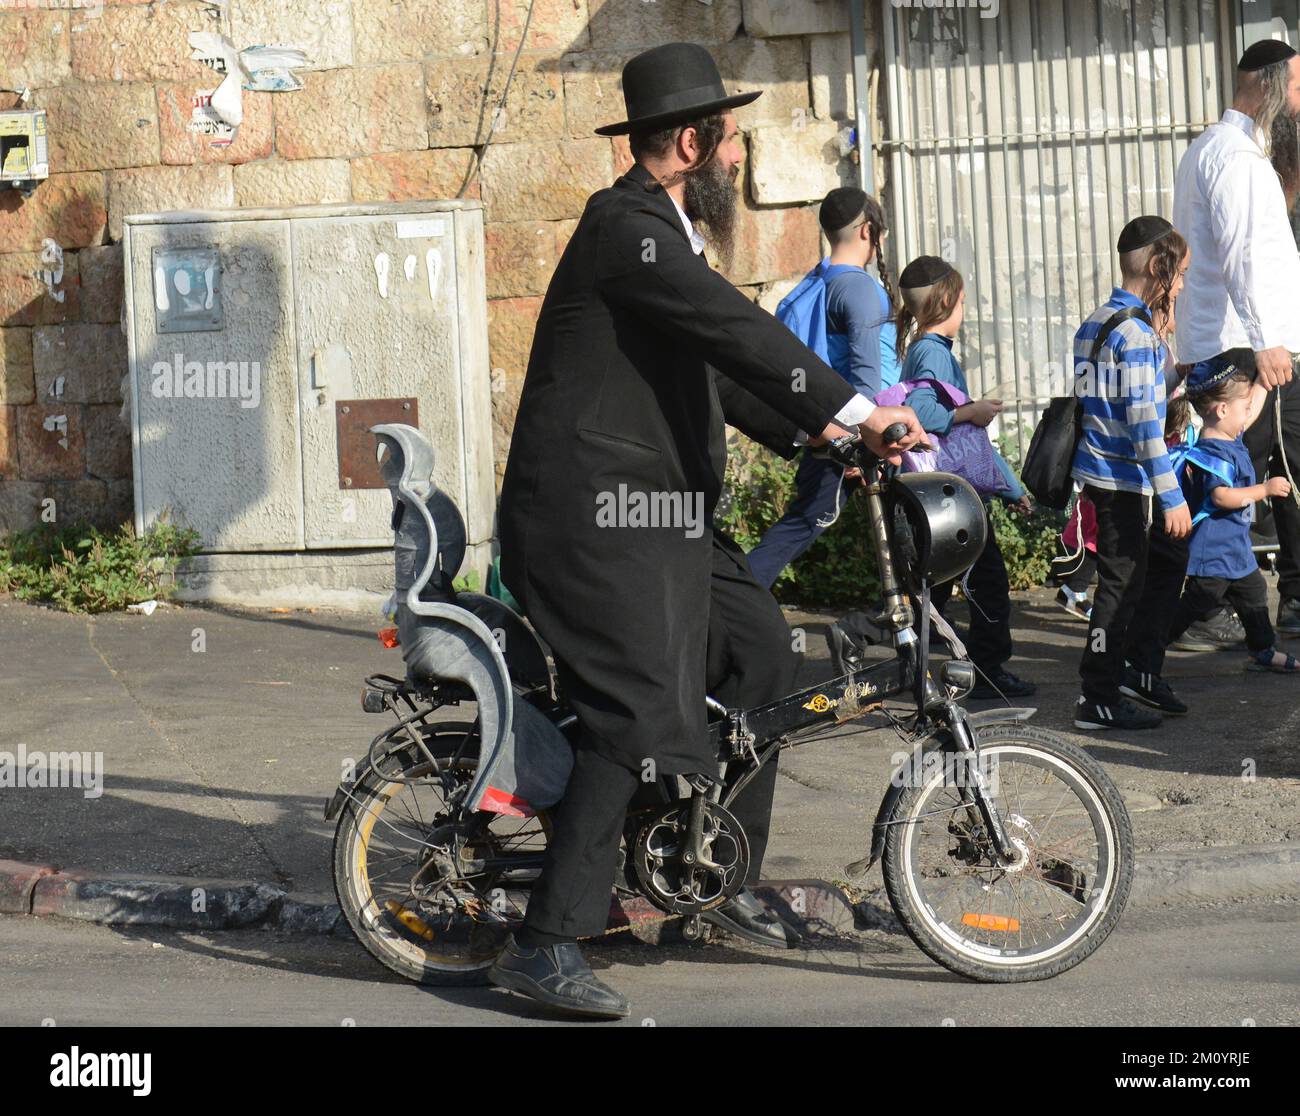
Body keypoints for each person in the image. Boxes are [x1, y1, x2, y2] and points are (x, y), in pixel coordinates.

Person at [489, 42, 924, 1020]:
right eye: (727, 143)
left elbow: (717, 374)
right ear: (691, 141)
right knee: (638, 706)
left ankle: (713, 887)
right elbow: (735, 332)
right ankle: (544, 940)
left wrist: (820, 433)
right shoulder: (627, 232)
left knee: (765, 654)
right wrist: (857, 409)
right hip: (590, 525)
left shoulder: (665, 238)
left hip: (660, 522)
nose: (735, 160)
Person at [1173, 38, 1300, 642]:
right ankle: (1203, 607)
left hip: (1224, 343)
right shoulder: (1238, 159)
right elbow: (1244, 256)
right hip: (1247, 350)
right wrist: (1270, 340)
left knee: (1225, 475)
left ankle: (1227, 607)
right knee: (1252, 475)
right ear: (1272, 87)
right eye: (1298, 86)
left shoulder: (1211, 148)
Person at [887, 255, 1037, 701]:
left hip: (944, 493)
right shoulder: (932, 352)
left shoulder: (925, 349)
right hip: (950, 496)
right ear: (949, 301)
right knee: (987, 582)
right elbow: (925, 413)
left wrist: (1010, 488)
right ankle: (987, 669)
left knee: (938, 584)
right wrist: (971, 410)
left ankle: (878, 635)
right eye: (964, 300)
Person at [1071, 217, 1192, 732]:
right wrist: (1171, 498)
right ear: (1158, 267)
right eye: (1180, 273)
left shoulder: (1096, 321)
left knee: (1123, 583)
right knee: (1120, 589)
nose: (1182, 286)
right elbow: (1145, 431)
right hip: (1124, 482)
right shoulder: (1138, 335)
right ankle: (1098, 697)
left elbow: (1095, 401)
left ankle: (1119, 676)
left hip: (1096, 474)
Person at [745, 187, 898, 589]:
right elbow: (866, 376)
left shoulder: (817, 282)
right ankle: (732, 598)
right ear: (867, 231)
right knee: (807, 522)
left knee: (810, 520)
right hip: (853, 436)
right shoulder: (859, 288)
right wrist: (862, 438)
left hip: (821, 426)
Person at [1165, 353, 1299, 674]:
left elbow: (1252, 402)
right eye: (1244, 410)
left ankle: (1263, 650)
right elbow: (1221, 496)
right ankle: (1149, 643)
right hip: (1214, 552)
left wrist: (1268, 370)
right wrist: (1264, 491)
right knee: (1196, 602)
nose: (1249, 415)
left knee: (1254, 593)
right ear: (1223, 410)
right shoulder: (1212, 453)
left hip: (1235, 551)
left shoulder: (1230, 435)